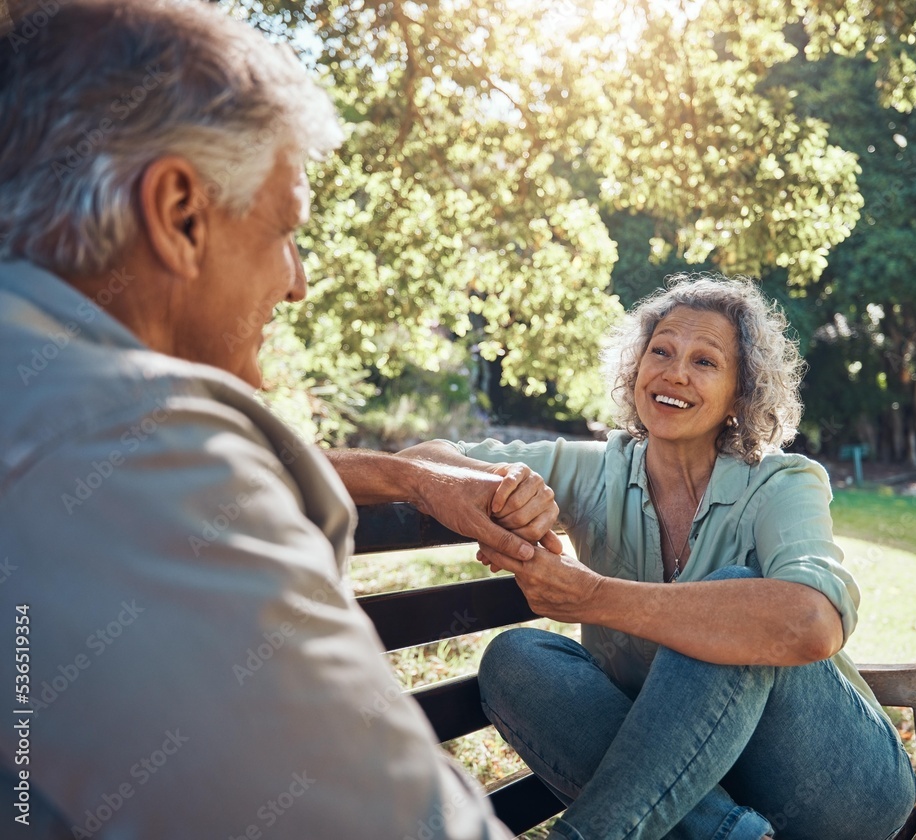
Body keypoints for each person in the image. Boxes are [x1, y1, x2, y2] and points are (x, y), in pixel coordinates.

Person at [0, 1, 557, 837]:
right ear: (181, 214)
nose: (296, 282)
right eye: (284, 230)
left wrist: (405, 474)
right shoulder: (130, 445)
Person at [402, 275, 916, 840]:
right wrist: (479, 491)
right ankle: (727, 834)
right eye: (662, 351)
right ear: (637, 369)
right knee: (516, 656)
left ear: (739, 396)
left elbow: (812, 623)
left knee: (731, 602)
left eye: (705, 361)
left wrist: (595, 597)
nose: (675, 373)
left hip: (837, 791)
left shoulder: (782, 482)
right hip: (691, 793)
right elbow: (427, 458)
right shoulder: (595, 470)